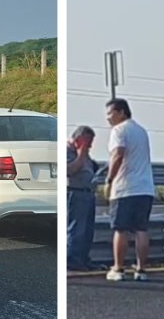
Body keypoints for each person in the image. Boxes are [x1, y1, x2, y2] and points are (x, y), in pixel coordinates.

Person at [104, 98, 155, 281]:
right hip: (145, 187)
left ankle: (118, 269)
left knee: (121, 229)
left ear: (122, 112)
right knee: (141, 229)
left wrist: (109, 180)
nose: (108, 118)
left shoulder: (119, 130)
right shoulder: (141, 131)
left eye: (110, 113)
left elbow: (118, 155)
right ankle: (141, 270)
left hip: (125, 187)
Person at [66, 125, 98, 271]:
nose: (90, 146)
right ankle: (73, 260)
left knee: (87, 230)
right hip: (75, 192)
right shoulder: (68, 151)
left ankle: (84, 259)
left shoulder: (86, 154)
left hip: (87, 193)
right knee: (76, 229)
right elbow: (70, 170)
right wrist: (81, 153)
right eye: (88, 142)